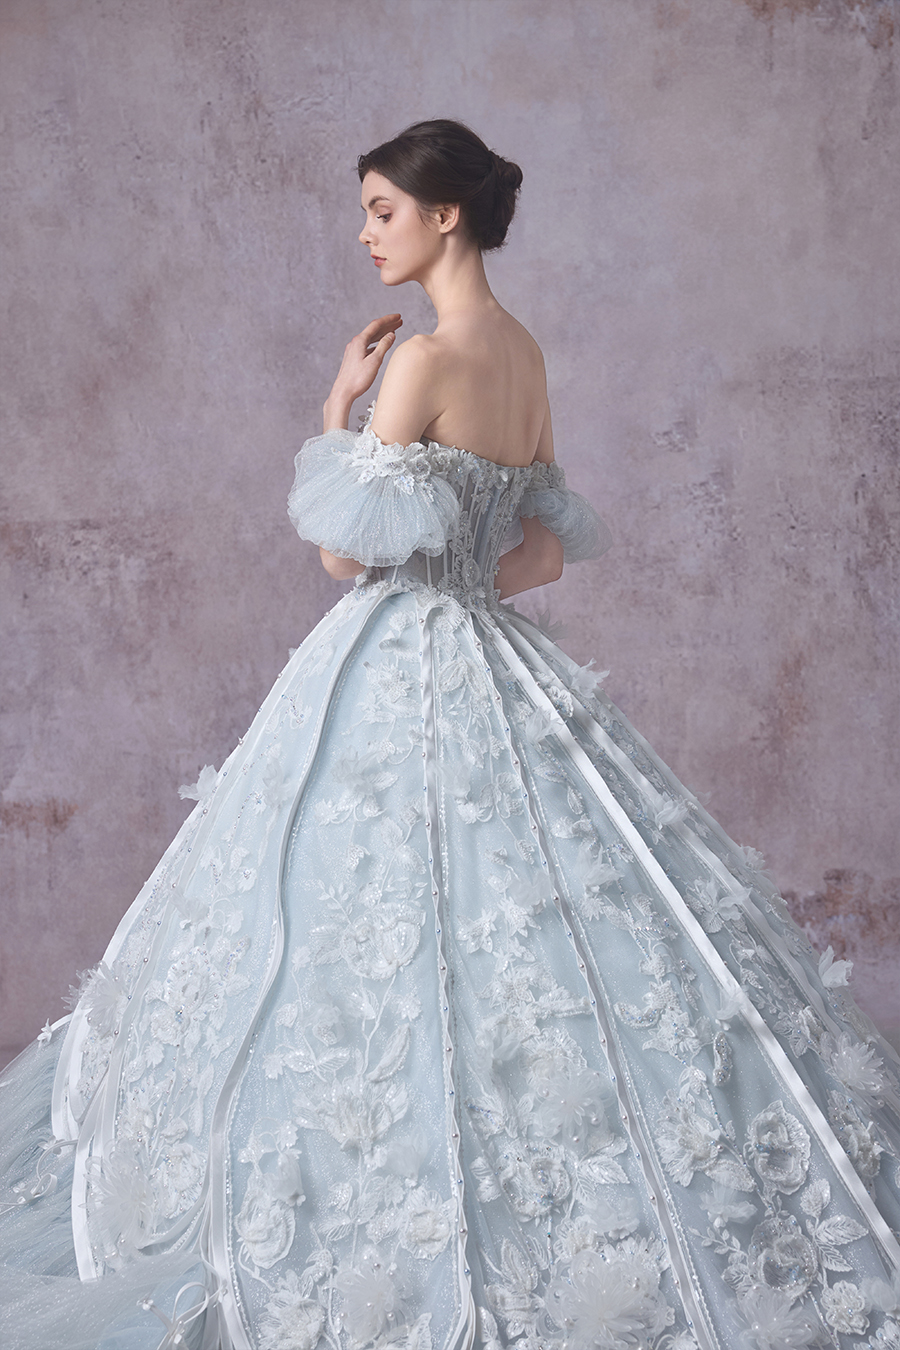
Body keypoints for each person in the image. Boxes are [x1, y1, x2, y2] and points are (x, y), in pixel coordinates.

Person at [0, 118, 898, 1350]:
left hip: (395, 656)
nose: (366, 234)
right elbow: (541, 557)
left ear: (445, 214)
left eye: (381, 210)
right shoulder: (524, 353)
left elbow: (341, 554)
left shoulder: (420, 361)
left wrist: (337, 406)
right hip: (492, 648)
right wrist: (463, 573)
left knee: (356, 925)